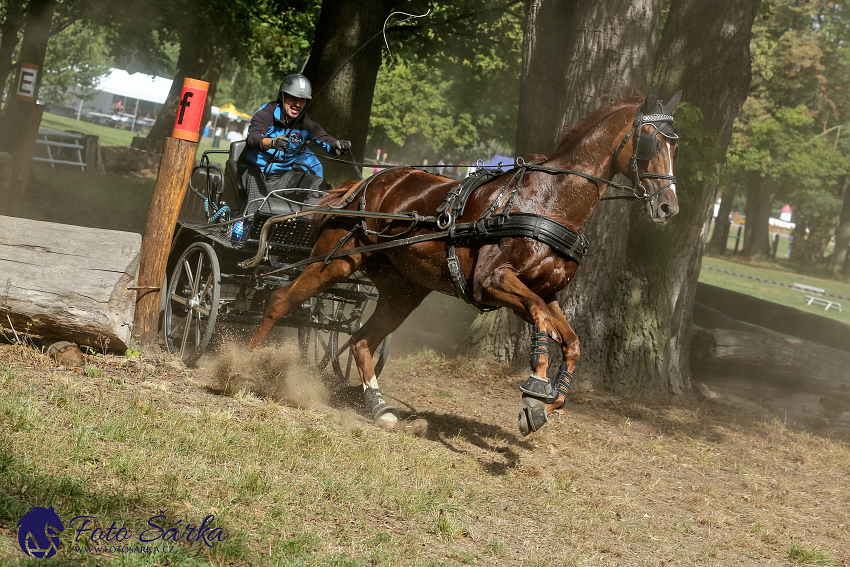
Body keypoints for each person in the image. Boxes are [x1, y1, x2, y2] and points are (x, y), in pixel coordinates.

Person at [241, 74, 350, 214]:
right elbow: (253, 138)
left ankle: (303, 227)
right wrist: (272, 142)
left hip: (282, 178)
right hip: (254, 172)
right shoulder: (265, 114)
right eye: (294, 98)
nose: (298, 104)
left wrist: (337, 145)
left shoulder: (305, 122)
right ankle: (251, 227)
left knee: (318, 185)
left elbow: (324, 139)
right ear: (282, 96)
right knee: (259, 199)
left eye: (302, 100)